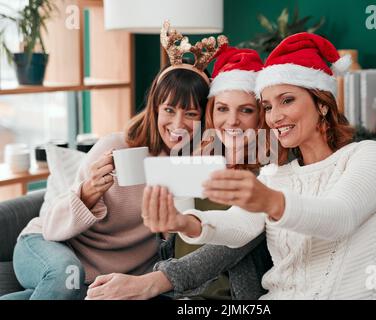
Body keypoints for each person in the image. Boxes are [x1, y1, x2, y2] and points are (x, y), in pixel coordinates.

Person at [142, 33, 376, 300]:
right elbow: (238, 225)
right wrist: (184, 222)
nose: (275, 116)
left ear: (322, 104)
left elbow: (340, 217)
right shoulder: (276, 174)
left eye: (287, 100)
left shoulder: (367, 155)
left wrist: (270, 201)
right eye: (267, 106)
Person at [0, 22, 218, 300]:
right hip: (48, 246)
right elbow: (52, 225)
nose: (178, 123)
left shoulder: (196, 167)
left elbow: (180, 250)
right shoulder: (117, 145)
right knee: (66, 275)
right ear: (154, 109)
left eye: (191, 114)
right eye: (169, 110)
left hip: (95, 280)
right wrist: (88, 193)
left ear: (205, 119)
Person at [85, 46, 277, 300]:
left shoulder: (269, 168)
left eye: (246, 110)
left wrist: (151, 282)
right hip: (179, 293)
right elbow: (171, 240)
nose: (231, 121)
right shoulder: (196, 156)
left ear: (260, 115)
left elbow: (233, 241)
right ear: (211, 112)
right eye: (222, 108)